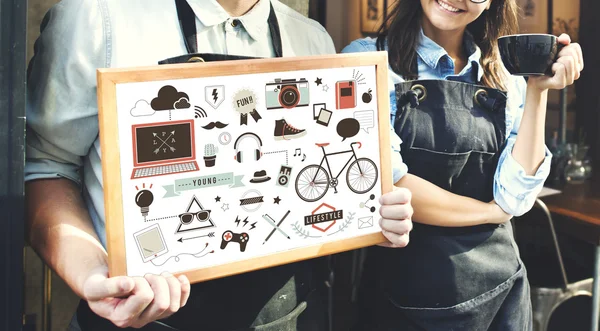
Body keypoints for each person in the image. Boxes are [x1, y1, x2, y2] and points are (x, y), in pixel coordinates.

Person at [24, 0, 414, 330]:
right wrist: (92, 273)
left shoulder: (311, 36)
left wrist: (371, 211)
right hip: (148, 313)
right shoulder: (98, 17)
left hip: (288, 313)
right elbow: (46, 168)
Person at [342, 0, 584, 330]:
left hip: (500, 293)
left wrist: (538, 89)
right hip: (406, 294)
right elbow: (386, 179)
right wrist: (488, 213)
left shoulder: (506, 73)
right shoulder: (366, 60)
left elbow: (514, 196)